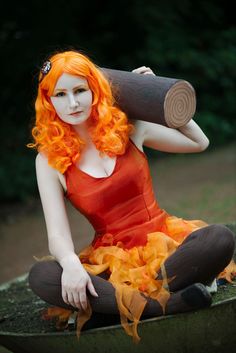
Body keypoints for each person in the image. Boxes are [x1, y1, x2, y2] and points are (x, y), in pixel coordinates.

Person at [28, 50, 235, 341]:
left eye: (79, 90)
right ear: (48, 101)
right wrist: (72, 265)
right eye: (60, 94)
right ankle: (164, 305)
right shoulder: (48, 160)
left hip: (165, 250)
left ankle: (112, 308)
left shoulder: (129, 127)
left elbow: (199, 142)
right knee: (42, 277)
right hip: (112, 262)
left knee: (219, 239)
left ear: (94, 89)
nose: (72, 103)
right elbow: (58, 235)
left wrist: (155, 99)